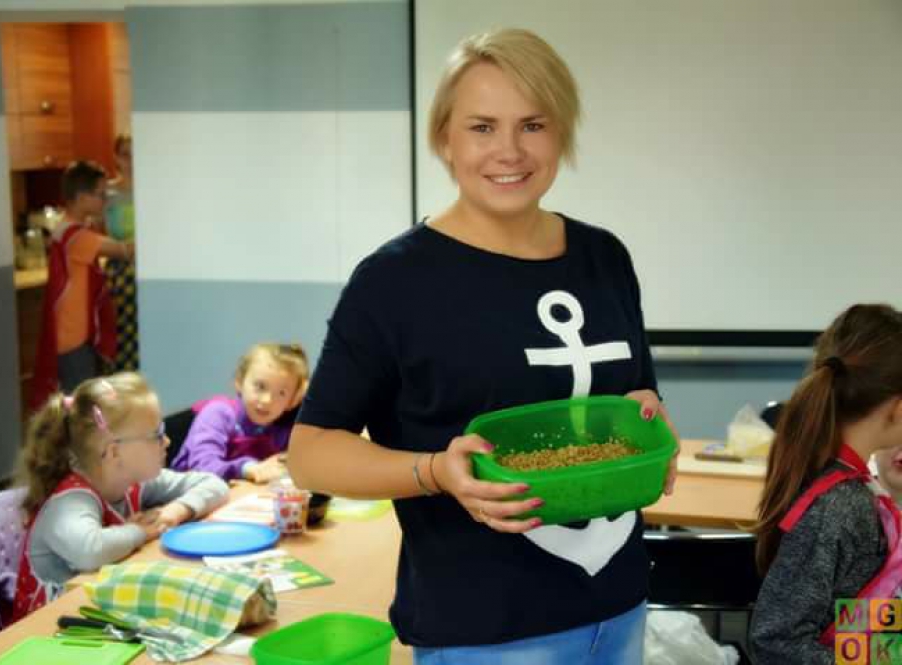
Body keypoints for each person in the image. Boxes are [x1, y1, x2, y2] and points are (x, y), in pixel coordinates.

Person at [287, 28, 677, 663]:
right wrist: (434, 472)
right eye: (482, 127)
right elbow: (310, 454)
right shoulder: (393, 282)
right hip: (485, 630)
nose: (510, 151)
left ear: (561, 133)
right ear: (445, 138)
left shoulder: (605, 257)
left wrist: (649, 427)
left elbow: (635, 395)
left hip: (619, 607)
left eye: (533, 125)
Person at [751, 304, 902, 664]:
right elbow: (776, 641)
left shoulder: (851, 491)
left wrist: (889, 653)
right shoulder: (839, 506)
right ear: (898, 408)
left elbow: (856, 616)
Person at [11, 372, 228, 621]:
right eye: (156, 435)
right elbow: (90, 550)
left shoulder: (132, 482)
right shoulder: (69, 502)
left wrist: (176, 511)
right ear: (114, 452)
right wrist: (140, 532)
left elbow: (214, 485)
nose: (168, 441)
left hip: (98, 620)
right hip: (46, 633)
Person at [30, 161, 134, 408]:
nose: (104, 200)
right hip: (74, 338)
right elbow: (124, 251)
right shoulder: (74, 236)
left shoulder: (67, 229)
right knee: (80, 405)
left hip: (71, 333)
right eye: (100, 194)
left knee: (77, 400)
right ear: (82, 197)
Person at [171, 344, 309, 484]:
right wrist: (246, 468)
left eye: (282, 393)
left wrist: (306, 396)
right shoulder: (218, 414)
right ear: (239, 381)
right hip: (190, 492)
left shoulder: (283, 425)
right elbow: (203, 467)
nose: (267, 400)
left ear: (292, 399)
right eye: (260, 386)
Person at [104, 134, 140, 372]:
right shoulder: (107, 192)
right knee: (119, 337)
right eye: (125, 154)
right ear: (116, 157)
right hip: (118, 273)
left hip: (147, 272)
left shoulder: (151, 189)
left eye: (135, 154)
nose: (131, 160)